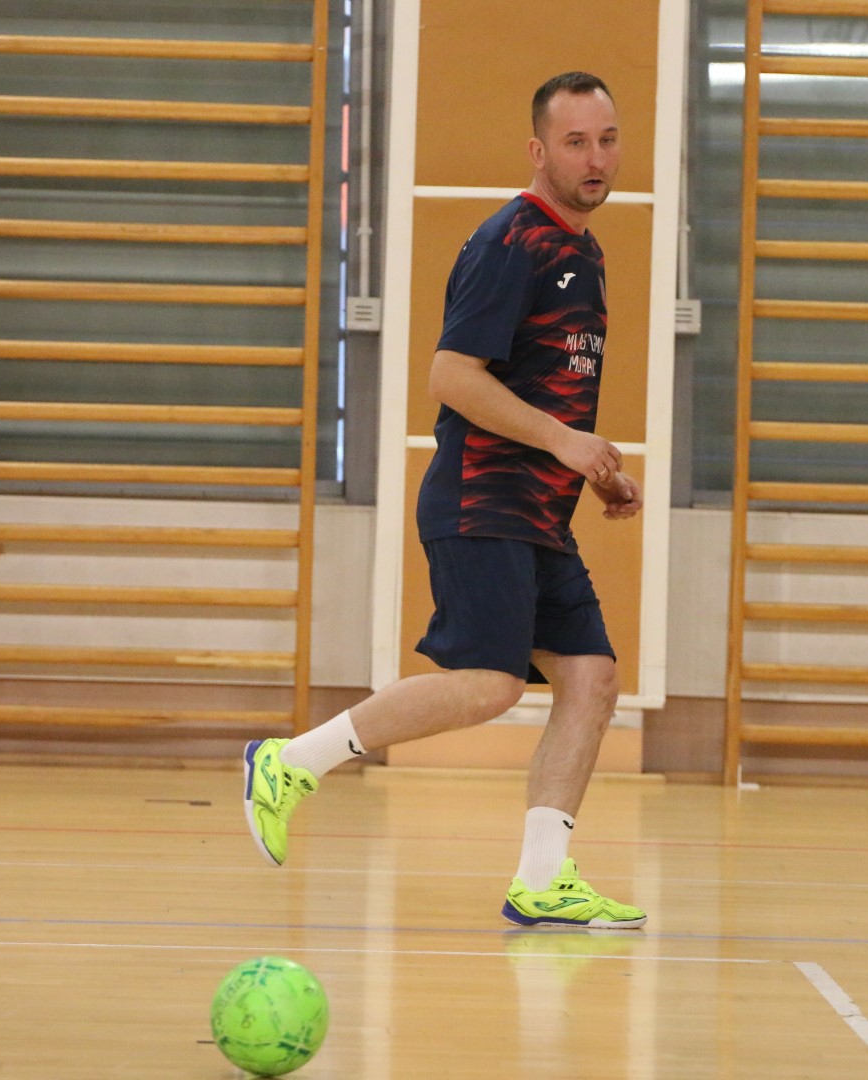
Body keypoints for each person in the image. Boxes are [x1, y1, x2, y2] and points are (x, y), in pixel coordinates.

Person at [244, 72, 646, 929]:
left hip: (540, 511)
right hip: (482, 498)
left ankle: (543, 879)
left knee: (592, 678)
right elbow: (452, 376)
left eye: (607, 139)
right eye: (576, 142)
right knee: (490, 685)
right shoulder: (513, 242)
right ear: (539, 150)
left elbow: (542, 389)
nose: (596, 158)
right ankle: (290, 761)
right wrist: (564, 442)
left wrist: (595, 468)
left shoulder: (584, 252)